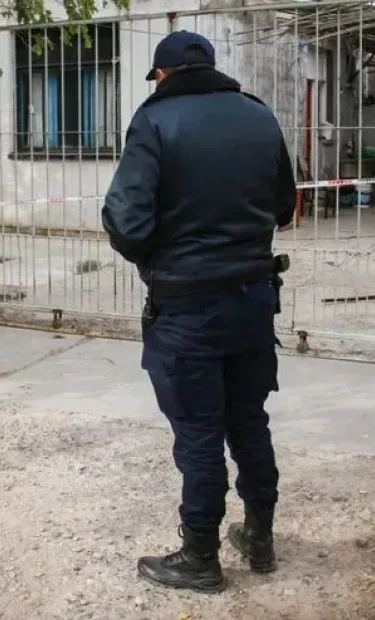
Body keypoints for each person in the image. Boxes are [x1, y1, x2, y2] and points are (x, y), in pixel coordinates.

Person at [101, 30, 296, 593]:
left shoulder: (154, 121)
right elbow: (285, 205)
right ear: (211, 67)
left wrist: (162, 258)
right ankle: (259, 537)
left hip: (187, 306)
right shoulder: (258, 115)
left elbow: (127, 222)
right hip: (254, 298)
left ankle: (200, 558)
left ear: (162, 75)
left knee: (199, 435)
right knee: (248, 419)